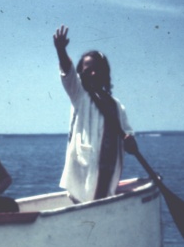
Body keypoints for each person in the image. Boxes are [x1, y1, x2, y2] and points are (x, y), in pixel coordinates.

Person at [53, 25, 138, 203]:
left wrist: (130, 139)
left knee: (102, 198)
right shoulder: (78, 94)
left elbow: (127, 132)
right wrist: (61, 50)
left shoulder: (116, 105)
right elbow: (67, 71)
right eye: (88, 69)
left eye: (98, 69)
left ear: (105, 73)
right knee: (86, 200)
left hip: (109, 172)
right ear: (80, 73)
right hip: (83, 169)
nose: (93, 73)